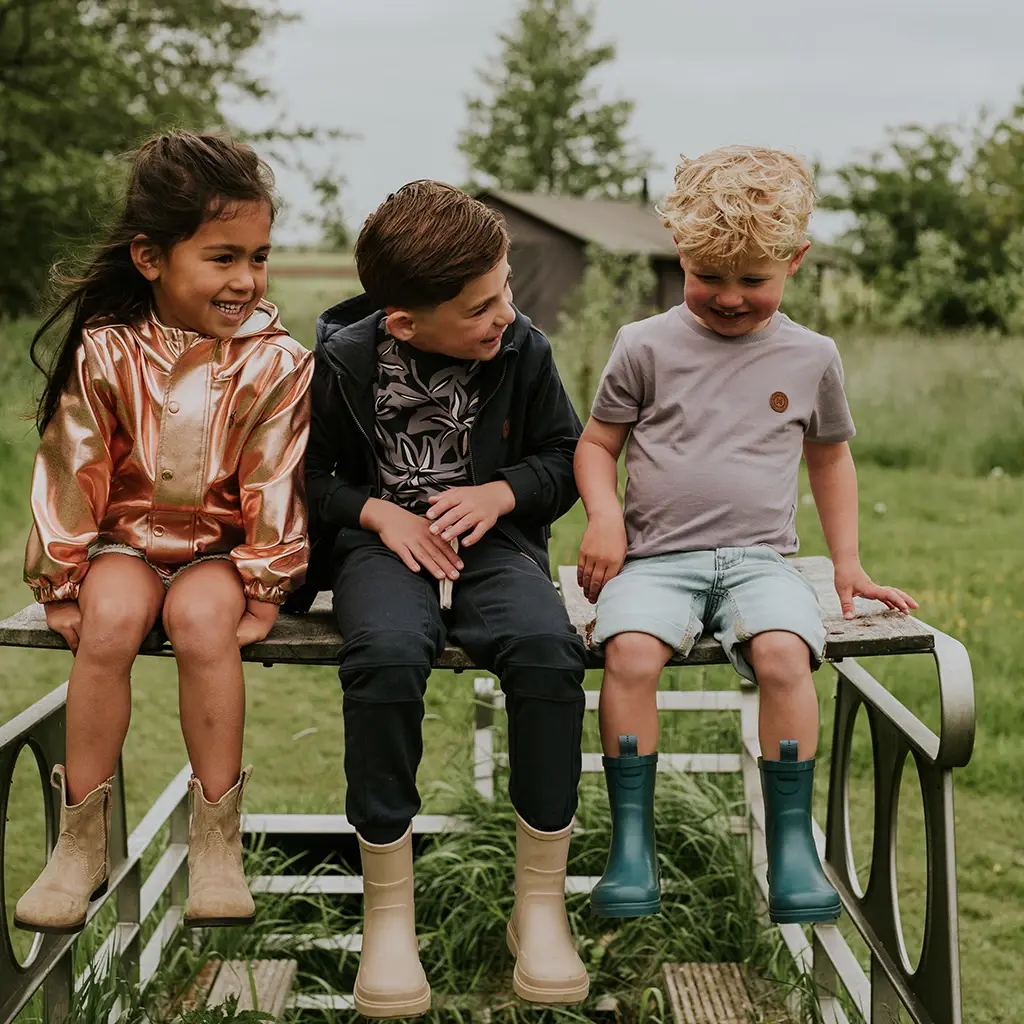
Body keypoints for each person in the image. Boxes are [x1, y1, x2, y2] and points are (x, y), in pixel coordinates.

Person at [574, 146, 917, 924]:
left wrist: (849, 564)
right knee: (629, 655)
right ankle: (632, 846)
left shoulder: (811, 356)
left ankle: (792, 847)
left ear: (795, 261)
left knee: (785, 656)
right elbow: (597, 445)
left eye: (754, 280)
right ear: (679, 253)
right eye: (709, 276)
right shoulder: (643, 345)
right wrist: (605, 516)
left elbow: (830, 459)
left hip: (762, 562)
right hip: (656, 561)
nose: (730, 298)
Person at [16, 131, 313, 935]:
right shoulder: (106, 350)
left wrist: (265, 581)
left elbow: (274, 476)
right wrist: (60, 579)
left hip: (219, 551)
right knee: (111, 621)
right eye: (222, 257)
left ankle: (216, 841)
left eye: (258, 257)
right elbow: (73, 465)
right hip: (125, 544)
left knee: (202, 622)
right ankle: (79, 843)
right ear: (150, 257)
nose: (245, 279)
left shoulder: (278, 362)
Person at [303, 181, 588, 1016]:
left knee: (549, 652)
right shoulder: (342, 363)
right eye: (479, 308)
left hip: (494, 545)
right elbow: (306, 479)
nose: (505, 315)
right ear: (402, 324)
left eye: (505, 290)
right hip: (380, 545)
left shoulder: (524, 348)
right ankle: (389, 916)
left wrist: (501, 493)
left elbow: (565, 457)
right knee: (387, 656)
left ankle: (540, 904)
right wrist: (377, 512)